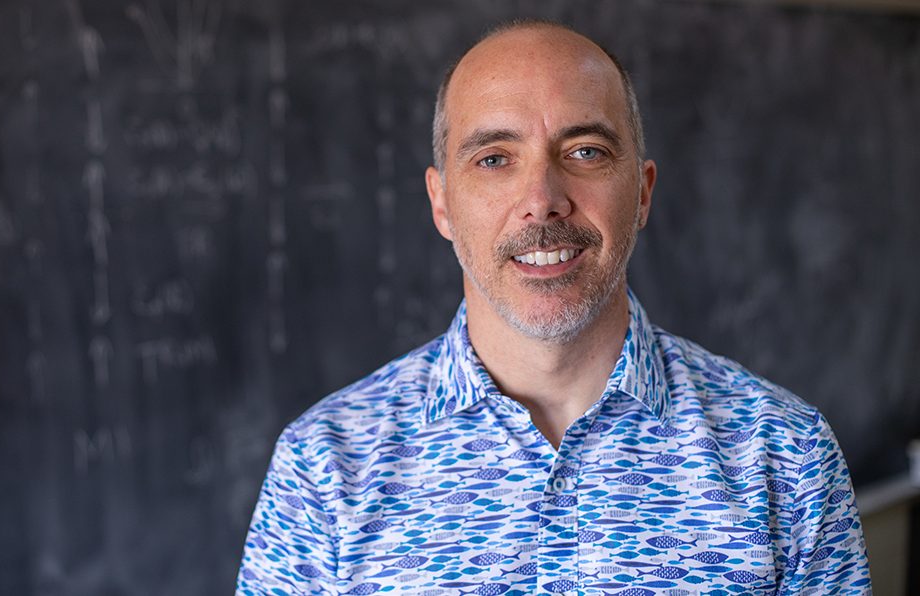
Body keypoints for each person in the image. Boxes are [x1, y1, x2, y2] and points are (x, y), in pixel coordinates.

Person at [236, 19, 870, 595]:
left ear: (642, 194)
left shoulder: (785, 455)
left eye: (585, 152)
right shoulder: (324, 468)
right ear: (442, 205)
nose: (542, 199)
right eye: (494, 159)